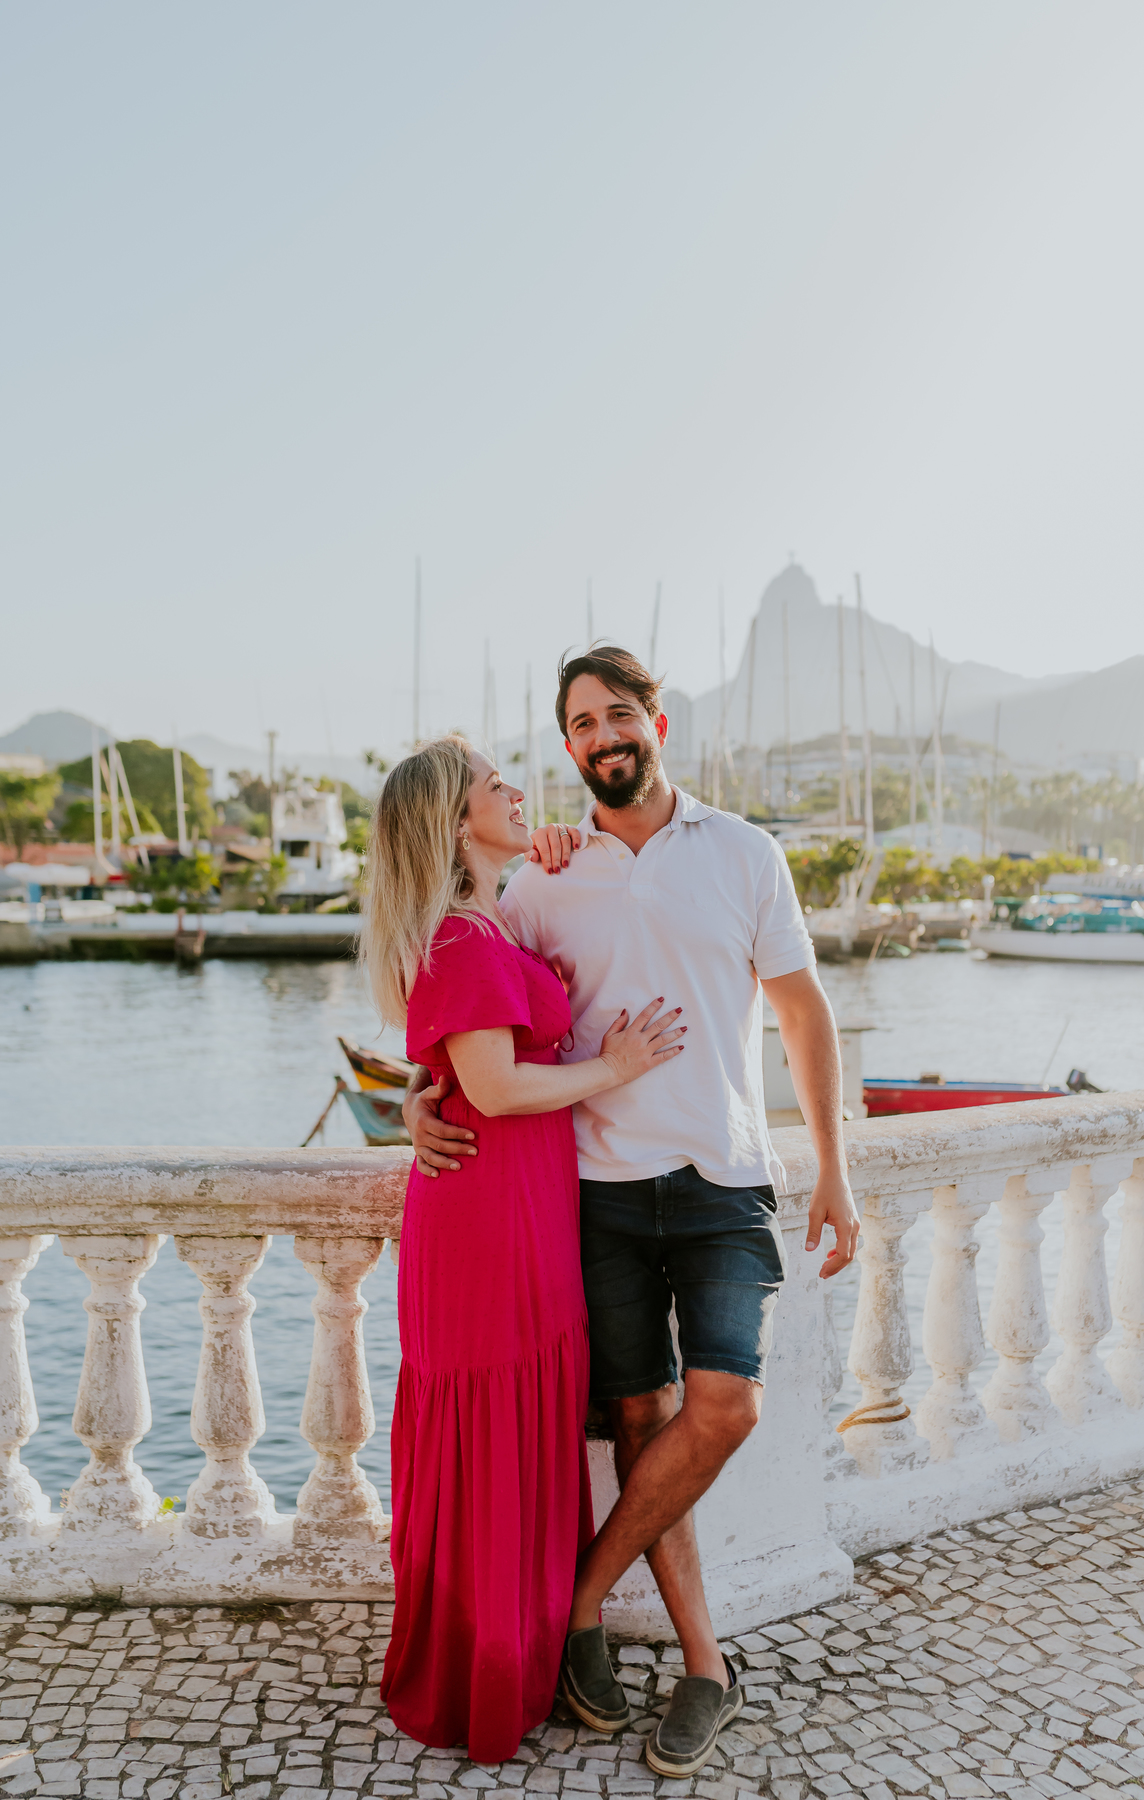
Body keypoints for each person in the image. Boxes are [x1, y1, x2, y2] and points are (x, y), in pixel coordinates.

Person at [406, 647, 860, 1779]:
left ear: (657, 722)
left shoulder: (744, 852)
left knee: (727, 1406)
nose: (602, 735)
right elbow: (473, 1003)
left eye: (619, 714)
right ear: (569, 746)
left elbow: (803, 1013)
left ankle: (576, 1605)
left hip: (723, 1178)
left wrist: (834, 1167)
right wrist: (419, 1096)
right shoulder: (540, 880)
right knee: (644, 1422)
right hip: (595, 1195)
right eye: (581, 723)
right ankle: (706, 1667)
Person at [361, 734, 686, 1764]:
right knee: (489, 1436)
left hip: (526, 1209)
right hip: (487, 1219)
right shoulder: (461, 938)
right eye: (493, 785)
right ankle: (482, 1671)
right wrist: (616, 1067)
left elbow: (463, 1065)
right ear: (455, 823)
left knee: (521, 1430)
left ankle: (517, 1652)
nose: (516, 791)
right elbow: (496, 1088)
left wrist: (420, 1094)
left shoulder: (489, 916)